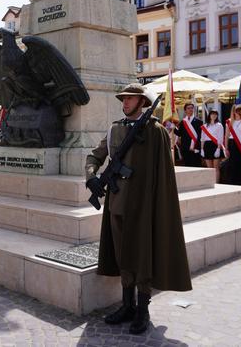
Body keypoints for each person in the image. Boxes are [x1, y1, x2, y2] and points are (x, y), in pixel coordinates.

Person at [85, 83, 191, 335]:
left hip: (143, 205)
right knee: (123, 254)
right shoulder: (115, 129)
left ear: (142, 102)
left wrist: (156, 204)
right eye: (124, 99)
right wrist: (91, 176)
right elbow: (95, 156)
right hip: (117, 203)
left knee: (142, 255)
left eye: (131, 99)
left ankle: (142, 309)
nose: (125, 102)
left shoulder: (155, 132)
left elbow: (164, 173)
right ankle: (127, 305)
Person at [224, 106, 241, 186]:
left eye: (239, 110)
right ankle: (232, 184)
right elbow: (226, 136)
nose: (237, 112)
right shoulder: (229, 122)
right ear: (233, 111)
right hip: (232, 145)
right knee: (232, 165)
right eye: (236, 110)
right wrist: (226, 148)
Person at [174, 103, 202, 167]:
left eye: (192, 108)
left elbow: (200, 136)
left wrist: (197, 147)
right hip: (185, 148)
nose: (190, 109)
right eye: (188, 108)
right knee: (187, 166)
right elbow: (179, 133)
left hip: (195, 148)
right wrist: (174, 128)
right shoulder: (183, 122)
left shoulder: (199, 121)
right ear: (185, 110)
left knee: (196, 166)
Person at [200, 110, 224, 182]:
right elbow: (202, 139)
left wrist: (218, 149)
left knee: (216, 167)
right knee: (209, 168)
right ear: (209, 115)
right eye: (212, 114)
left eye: (215, 114)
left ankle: (217, 183)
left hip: (216, 146)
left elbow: (220, 137)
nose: (214, 115)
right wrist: (202, 149)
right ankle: (210, 182)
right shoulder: (205, 126)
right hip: (207, 146)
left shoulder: (219, 125)